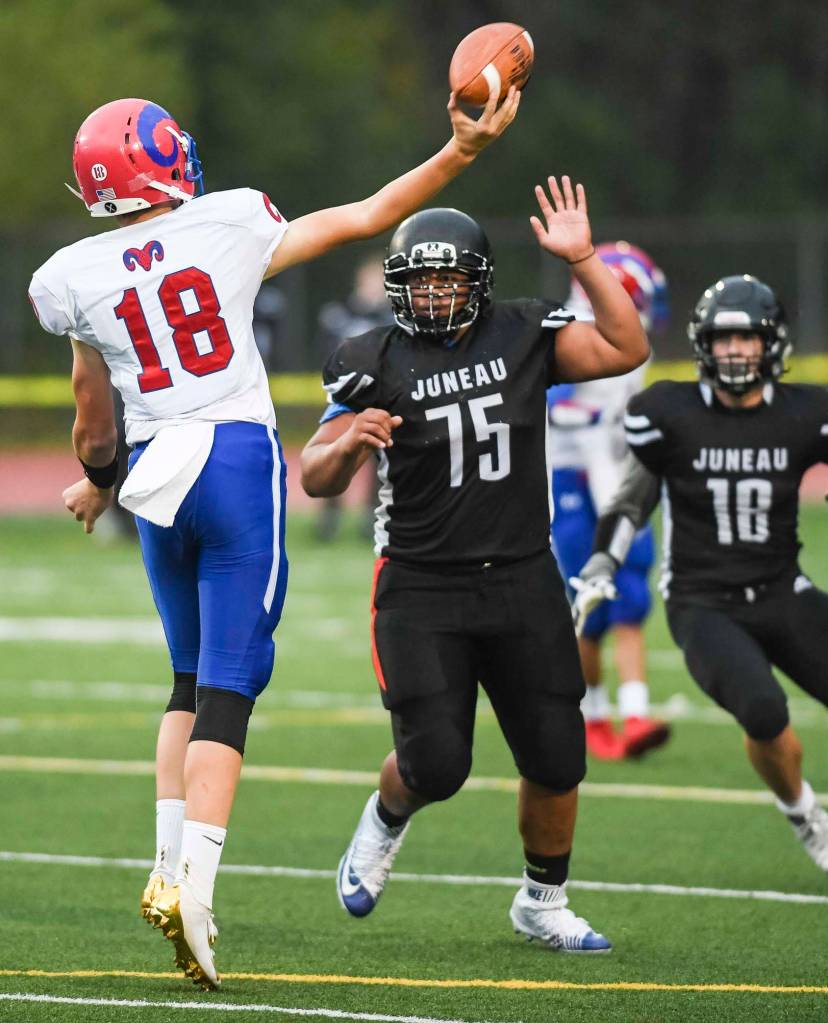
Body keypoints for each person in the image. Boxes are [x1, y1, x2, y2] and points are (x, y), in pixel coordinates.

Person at [28, 88, 520, 989]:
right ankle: (196, 892)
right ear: (165, 159)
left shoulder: (68, 277)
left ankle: (169, 864)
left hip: (151, 478)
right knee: (229, 688)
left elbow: (93, 425)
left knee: (186, 681)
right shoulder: (230, 221)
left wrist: (101, 487)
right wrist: (460, 151)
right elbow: (371, 214)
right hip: (232, 463)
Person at [300, 177, 650, 952]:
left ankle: (542, 900)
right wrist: (348, 444)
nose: (430, 294)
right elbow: (314, 473)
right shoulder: (372, 358)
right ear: (397, 287)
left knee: (558, 754)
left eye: (446, 278)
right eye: (416, 280)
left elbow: (627, 345)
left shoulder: (523, 332)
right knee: (436, 764)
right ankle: (387, 816)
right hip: (421, 584)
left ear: (478, 283)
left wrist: (586, 259)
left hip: (523, 573)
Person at [572, 274, 828, 894]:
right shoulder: (667, 414)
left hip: (784, 589)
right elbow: (630, 501)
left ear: (771, 345)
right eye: (723, 339)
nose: (735, 351)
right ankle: (802, 812)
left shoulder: (808, 410)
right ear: (703, 345)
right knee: (765, 714)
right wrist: (603, 562)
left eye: (746, 338)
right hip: (702, 602)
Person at [547, 241, 670, 760]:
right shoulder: (562, 333)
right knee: (587, 606)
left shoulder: (627, 338)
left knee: (633, 592)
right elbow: (552, 405)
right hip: (568, 477)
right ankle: (594, 714)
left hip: (616, 474)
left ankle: (637, 711)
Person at [313, 255, 395, 541]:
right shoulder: (339, 314)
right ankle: (329, 519)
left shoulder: (391, 316)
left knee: (378, 460)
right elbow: (326, 353)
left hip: (378, 398)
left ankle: (370, 518)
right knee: (334, 456)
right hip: (343, 399)